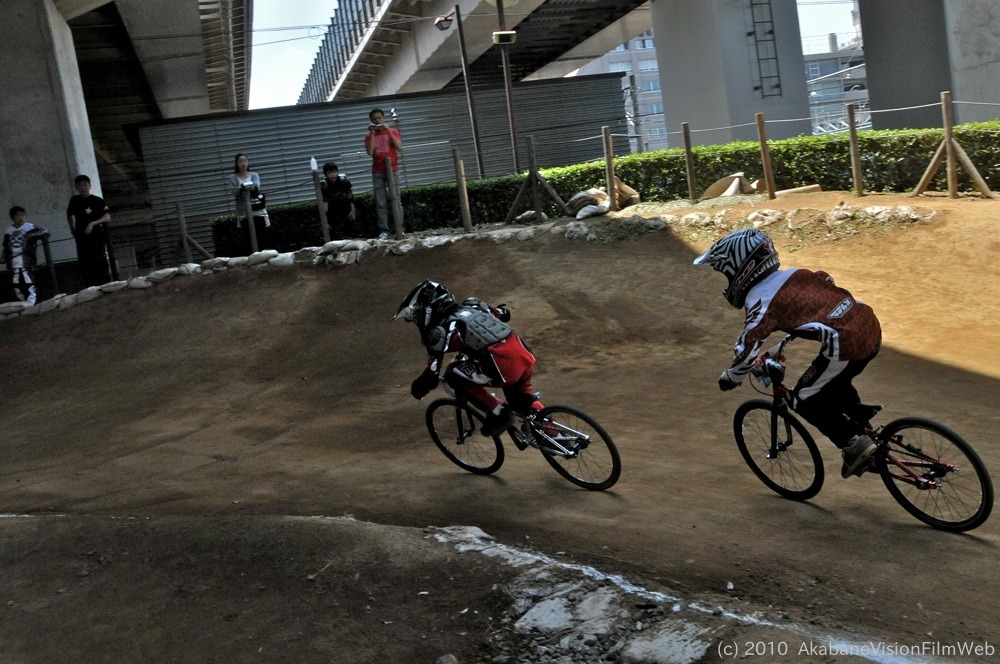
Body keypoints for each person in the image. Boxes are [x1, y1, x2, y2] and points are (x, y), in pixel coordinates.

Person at [693, 228, 882, 479]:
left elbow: (747, 348)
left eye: (725, 273)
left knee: (803, 398)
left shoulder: (760, 299)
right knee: (831, 382)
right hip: (868, 323)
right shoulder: (793, 274)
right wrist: (781, 342)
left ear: (740, 268)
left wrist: (731, 377)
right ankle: (862, 424)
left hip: (846, 343)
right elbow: (826, 285)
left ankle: (855, 444)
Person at [393, 280, 544, 436]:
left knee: (452, 374)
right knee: (523, 401)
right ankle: (557, 436)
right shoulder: (474, 305)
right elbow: (503, 314)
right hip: (524, 354)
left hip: (504, 368)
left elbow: (432, 373)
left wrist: (418, 388)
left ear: (426, 311)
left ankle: (497, 412)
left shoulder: (440, 332)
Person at [66, 174, 112, 287]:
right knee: (84, 261)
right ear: (76, 187)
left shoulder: (97, 201)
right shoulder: (74, 200)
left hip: (96, 236)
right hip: (81, 237)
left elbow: (107, 217)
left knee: (100, 259)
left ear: (89, 186)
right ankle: (89, 286)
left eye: (85, 185)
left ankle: (105, 284)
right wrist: (73, 231)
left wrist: (92, 223)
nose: (82, 187)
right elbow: (69, 216)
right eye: (80, 185)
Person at [364, 108, 403, 240]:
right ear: (371, 121)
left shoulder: (393, 131)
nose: (377, 121)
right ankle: (384, 230)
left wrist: (388, 130)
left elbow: (399, 147)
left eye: (380, 118)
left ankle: (399, 228)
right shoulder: (369, 135)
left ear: (384, 118)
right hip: (378, 171)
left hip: (393, 169)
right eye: (374, 119)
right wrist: (373, 134)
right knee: (381, 203)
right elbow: (370, 152)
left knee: (396, 200)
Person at [4, 207, 50, 305]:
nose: (21, 218)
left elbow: (46, 232)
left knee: (29, 282)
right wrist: (4, 257)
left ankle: (31, 304)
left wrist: (33, 235)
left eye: (22, 215)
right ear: (13, 218)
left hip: (27, 261)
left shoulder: (30, 226)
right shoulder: (8, 230)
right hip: (13, 262)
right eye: (17, 215)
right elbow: (5, 245)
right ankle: (21, 304)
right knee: (15, 284)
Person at [228, 153, 270, 253]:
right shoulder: (233, 178)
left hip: (257, 209)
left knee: (261, 235)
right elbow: (234, 192)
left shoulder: (254, 175)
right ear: (236, 164)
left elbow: (256, 187)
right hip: (243, 211)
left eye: (245, 160)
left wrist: (243, 189)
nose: (243, 163)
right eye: (240, 161)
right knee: (247, 236)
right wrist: (242, 189)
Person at [320, 162, 355, 240]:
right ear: (325, 174)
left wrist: (353, 210)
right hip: (331, 206)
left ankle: (350, 236)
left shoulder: (343, 180)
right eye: (329, 173)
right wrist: (325, 219)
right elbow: (325, 201)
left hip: (344, 204)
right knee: (333, 225)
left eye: (334, 172)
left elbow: (350, 195)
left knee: (349, 222)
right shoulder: (324, 184)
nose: (332, 174)